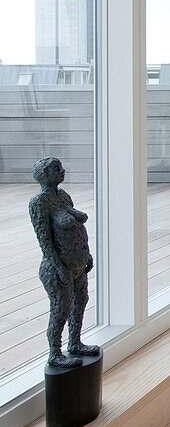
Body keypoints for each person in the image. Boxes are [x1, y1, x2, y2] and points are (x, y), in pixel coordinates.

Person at [29, 157, 100, 368]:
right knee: (61, 308)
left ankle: (75, 342)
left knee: (80, 301)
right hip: (58, 268)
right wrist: (59, 268)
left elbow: (78, 227)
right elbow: (44, 239)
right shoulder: (39, 203)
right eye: (56, 169)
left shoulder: (63, 197)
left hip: (78, 264)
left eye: (61, 168)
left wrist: (87, 256)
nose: (62, 171)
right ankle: (54, 352)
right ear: (45, 175)